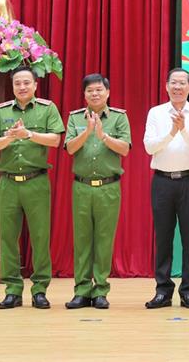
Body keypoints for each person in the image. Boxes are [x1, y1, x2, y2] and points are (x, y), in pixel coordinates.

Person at [0, 66, 64, 309]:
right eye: (18, 83)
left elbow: (55, 140)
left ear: (35, 85)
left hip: (36, 181)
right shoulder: (2, 111)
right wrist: (9, 137)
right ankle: (12, 290)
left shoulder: (47, 109)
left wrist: (27, 134)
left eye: (26, 82)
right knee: (7, 238)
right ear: (13, 86)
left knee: (40, 237)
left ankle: (40, 289)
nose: (22, 87)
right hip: (8, 183)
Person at [143, 68, 189, 309]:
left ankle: (188, 291)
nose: (178, 87)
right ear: (166, 86)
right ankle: (163, 290)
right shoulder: (156, 113)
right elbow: (150, 147)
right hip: (162, 182)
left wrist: (183, 130)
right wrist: (172, 131)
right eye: (174, 83)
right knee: (163, 237)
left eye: (182, 83)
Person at [63, 74, 130, 310]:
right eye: (90, 90)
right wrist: (87, 131)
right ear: (84, 94)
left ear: (108, 92)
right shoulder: (74, 118)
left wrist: (103, 135)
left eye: (99, 90)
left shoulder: (119, 118)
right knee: (82, 240)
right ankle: (81, 290)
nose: (95, 94)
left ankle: (100, 289)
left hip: (109, 187)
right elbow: (70, 148)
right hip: (81, 187)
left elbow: (125, 148)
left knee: (104, 240)